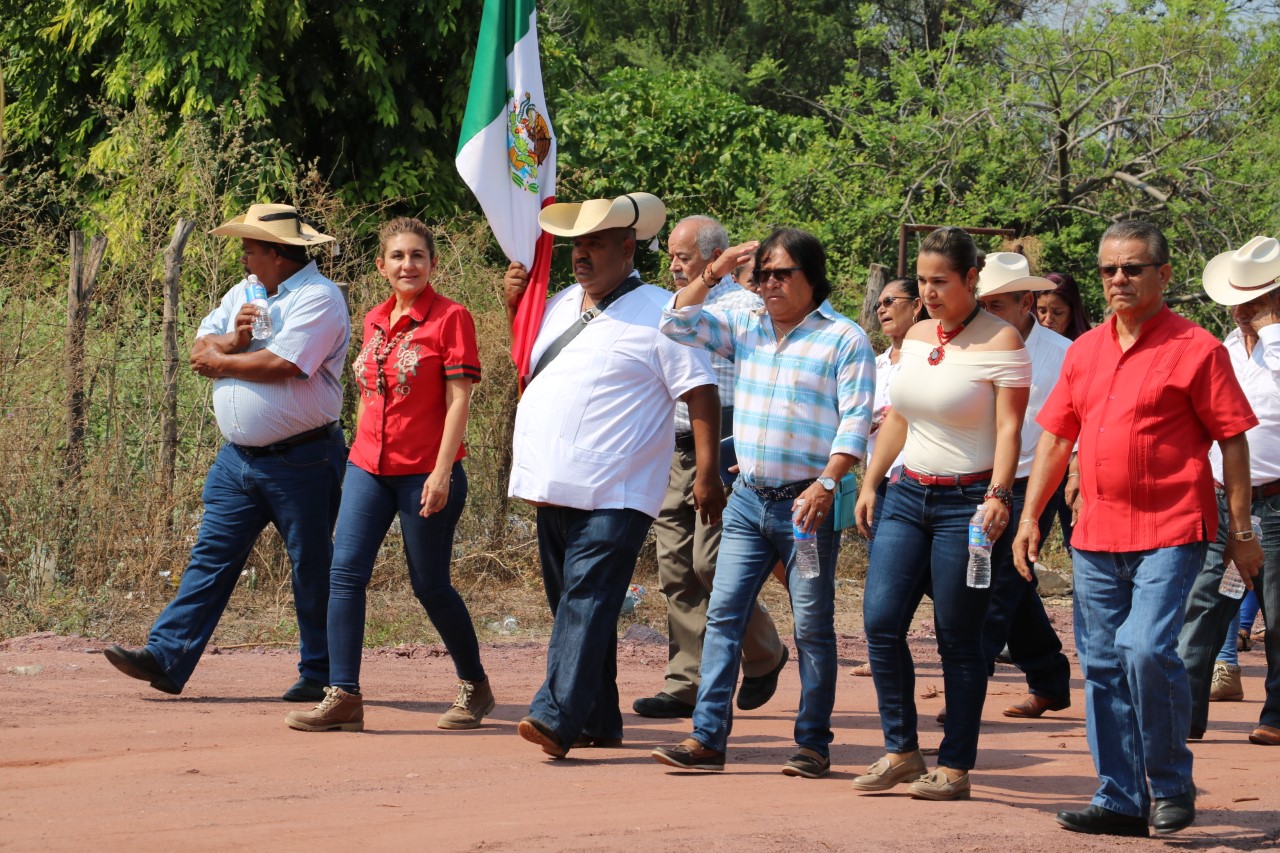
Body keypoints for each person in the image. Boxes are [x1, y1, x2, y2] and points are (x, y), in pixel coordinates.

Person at [1013, 221, 1261, 837]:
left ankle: (1173, 784)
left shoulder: (1197, 348)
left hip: (1174, 527)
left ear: (1164, 275)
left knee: (1146, 650)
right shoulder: (1087, 350)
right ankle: (1121, 798)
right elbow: (1055, 439)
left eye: (1133, 268)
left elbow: (1232, 440)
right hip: (1095, 533)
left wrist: (1239, 529)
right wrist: (1027, 518)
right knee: (1099, 662)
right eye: (1108, 270)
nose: (1118, 279)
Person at [652, 227, 876, 778]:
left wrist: (826, 485)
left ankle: (812, 744)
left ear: (812, 277)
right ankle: (707, 739)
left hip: (805, 508)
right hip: (749, 500)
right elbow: (675, 321)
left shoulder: (843, 339)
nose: (770, 285)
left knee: (813, 625)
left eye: (783, 274)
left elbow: (856, 420)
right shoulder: (746, 324)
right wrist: (717, 269)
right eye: (764, 274)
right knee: (724, 614)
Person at [104, 204, 349, 700]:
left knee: (311, 566)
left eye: (251, 246)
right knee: (211, 557)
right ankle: (166, 656)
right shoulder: (245, 292)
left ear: (278, 254)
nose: (243, 254)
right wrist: (233, 342)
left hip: (303, 459)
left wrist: (223, 361)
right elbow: (200, 349)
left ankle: (321, 675)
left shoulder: (319, 298)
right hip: (239, 458)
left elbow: (285, 365)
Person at [504, 192, 719, 759]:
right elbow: (532, 367)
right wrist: (514, 308)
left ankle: (555, 715)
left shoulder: (663, 309)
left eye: (595, 243)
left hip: (618, 487)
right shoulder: (557, 304)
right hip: (553, 482)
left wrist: (706, 472)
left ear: (628, 249)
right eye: (577, 244)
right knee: (572, 602)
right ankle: (600, 715)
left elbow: (699, 390)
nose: (581, 255)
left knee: (587, 598)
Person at [284, 218, 492, 733]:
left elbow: (459, 398)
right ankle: (344, 694)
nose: (408, 265)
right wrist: (355, 451)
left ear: (432, 264)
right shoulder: (375, 318)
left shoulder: (451, 318)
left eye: (417, 256)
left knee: (430, 584)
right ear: (382, 266)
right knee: (345, 574)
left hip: (425, 471)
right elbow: (368, 394)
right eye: (397, 256)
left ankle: (475, 685)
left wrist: (442, 472)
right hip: (367, 467)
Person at [852, 228, 1029, 801]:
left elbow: (1009, 428)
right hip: (907, 495)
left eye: (940, 281)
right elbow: (900, 417)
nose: (927, 292)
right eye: (922, 280)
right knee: (880, 623)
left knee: (958, 638)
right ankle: (901, 751)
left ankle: (954, 764)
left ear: (971, 280)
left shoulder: (1002, 342)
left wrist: (999, 496)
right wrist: (871, 480)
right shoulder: (921, 333)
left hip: (967, 504)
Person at [634, 216, 787, 721]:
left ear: (716, 256)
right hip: (672, 444)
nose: (675, 266)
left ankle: (764, 651)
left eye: (685, 257)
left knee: (712, 563)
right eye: (672, 257)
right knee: (675, 567)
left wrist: (746, 452)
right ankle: (686, 683)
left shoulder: (744, 308)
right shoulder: (670, 304)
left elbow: (767, 378)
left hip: (725, 447)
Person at [1176, 235, 1280, 745]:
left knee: (1278, 611)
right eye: (1238, 300)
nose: (1242, 311)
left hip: (1278, 499)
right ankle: (1185, 713)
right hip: (1224, 497)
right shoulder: (1225, 350)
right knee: (1203, 604)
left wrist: (1275, 336)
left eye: (1256, 300)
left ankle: (1277, 715)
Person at [972, 253, 1073, 719]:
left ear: (1026, 302)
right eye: (983, 302)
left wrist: (1075, 471)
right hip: (976, 478)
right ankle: (1050, 677)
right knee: (1005, 583)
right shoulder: (972, 345)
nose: (986, 312)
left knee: (1001, 583)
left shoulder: (1064, 354)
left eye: (996, 304)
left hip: (1035, 480)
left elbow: (1079, 421)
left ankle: (967, 687)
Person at [1037, 271, 1092, 340]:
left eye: (1057, 313)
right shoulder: (1026, 343)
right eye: (1042, 311)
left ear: (1072, 313)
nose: (1048, 319)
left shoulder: (1085, 345)